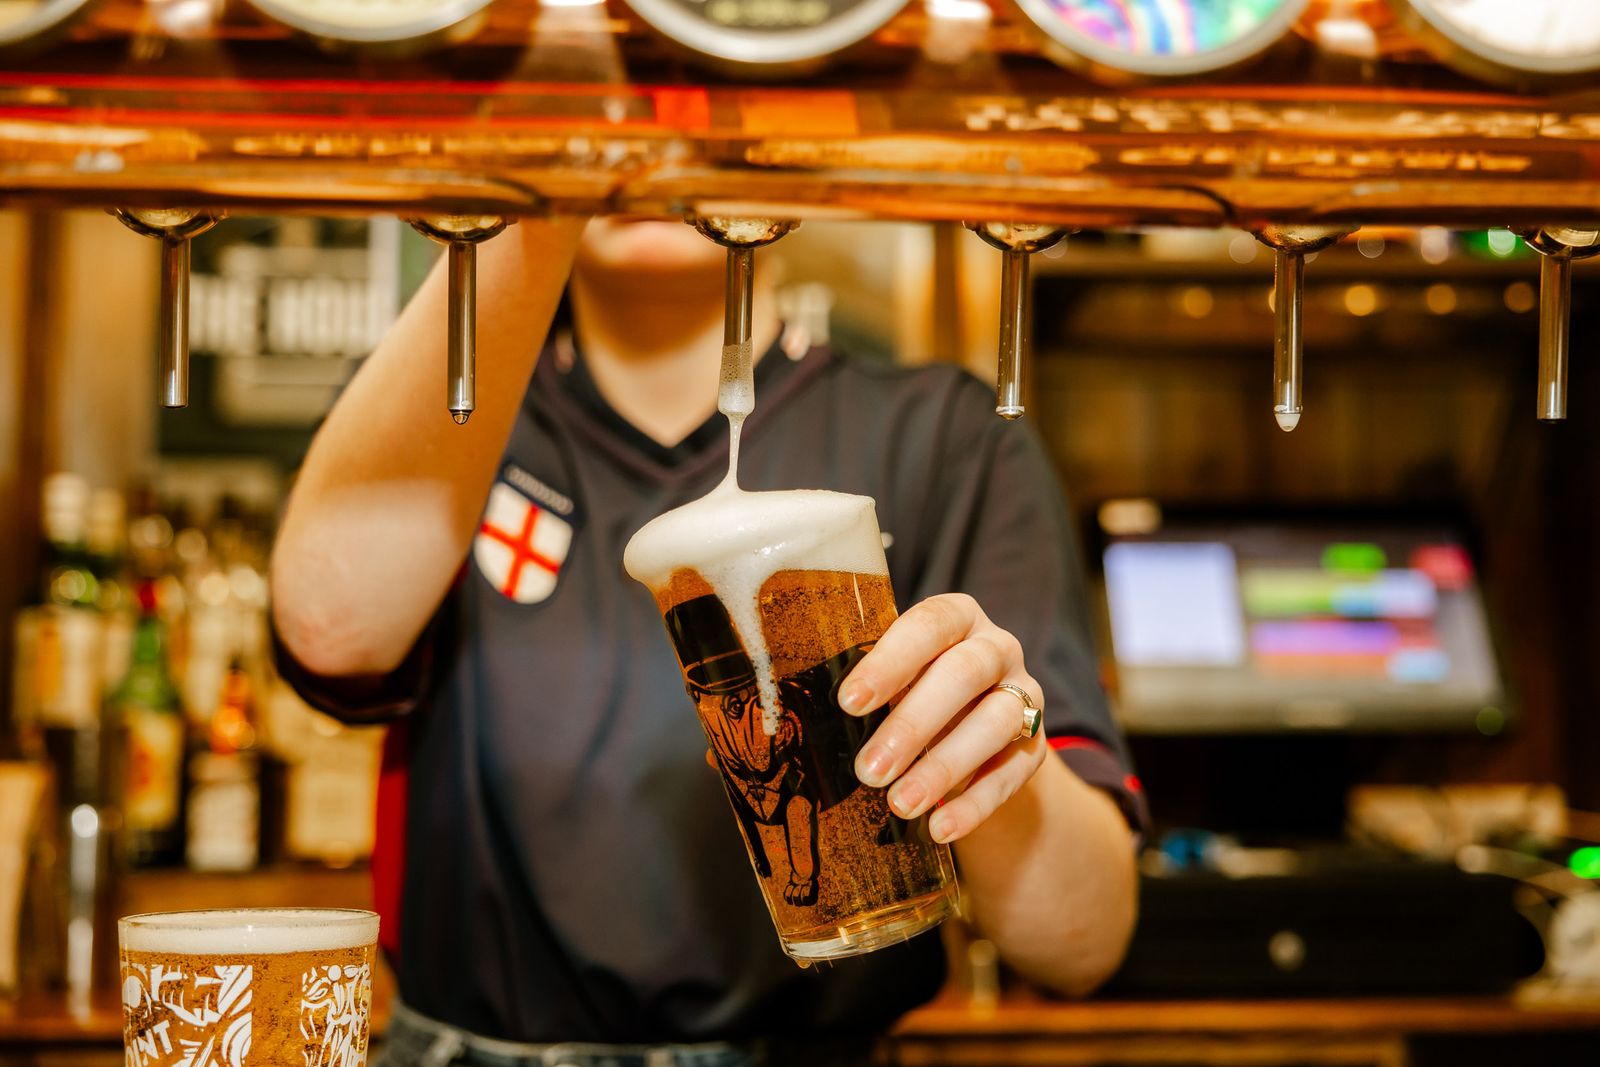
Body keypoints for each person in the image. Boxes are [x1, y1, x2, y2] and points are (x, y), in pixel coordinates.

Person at [270, 217, 1147, 1067]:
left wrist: (993, 752)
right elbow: (329, 633)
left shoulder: (943, 435)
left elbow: (1084, 943)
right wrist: (541, 200)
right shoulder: (447, 418)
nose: (660, 139)